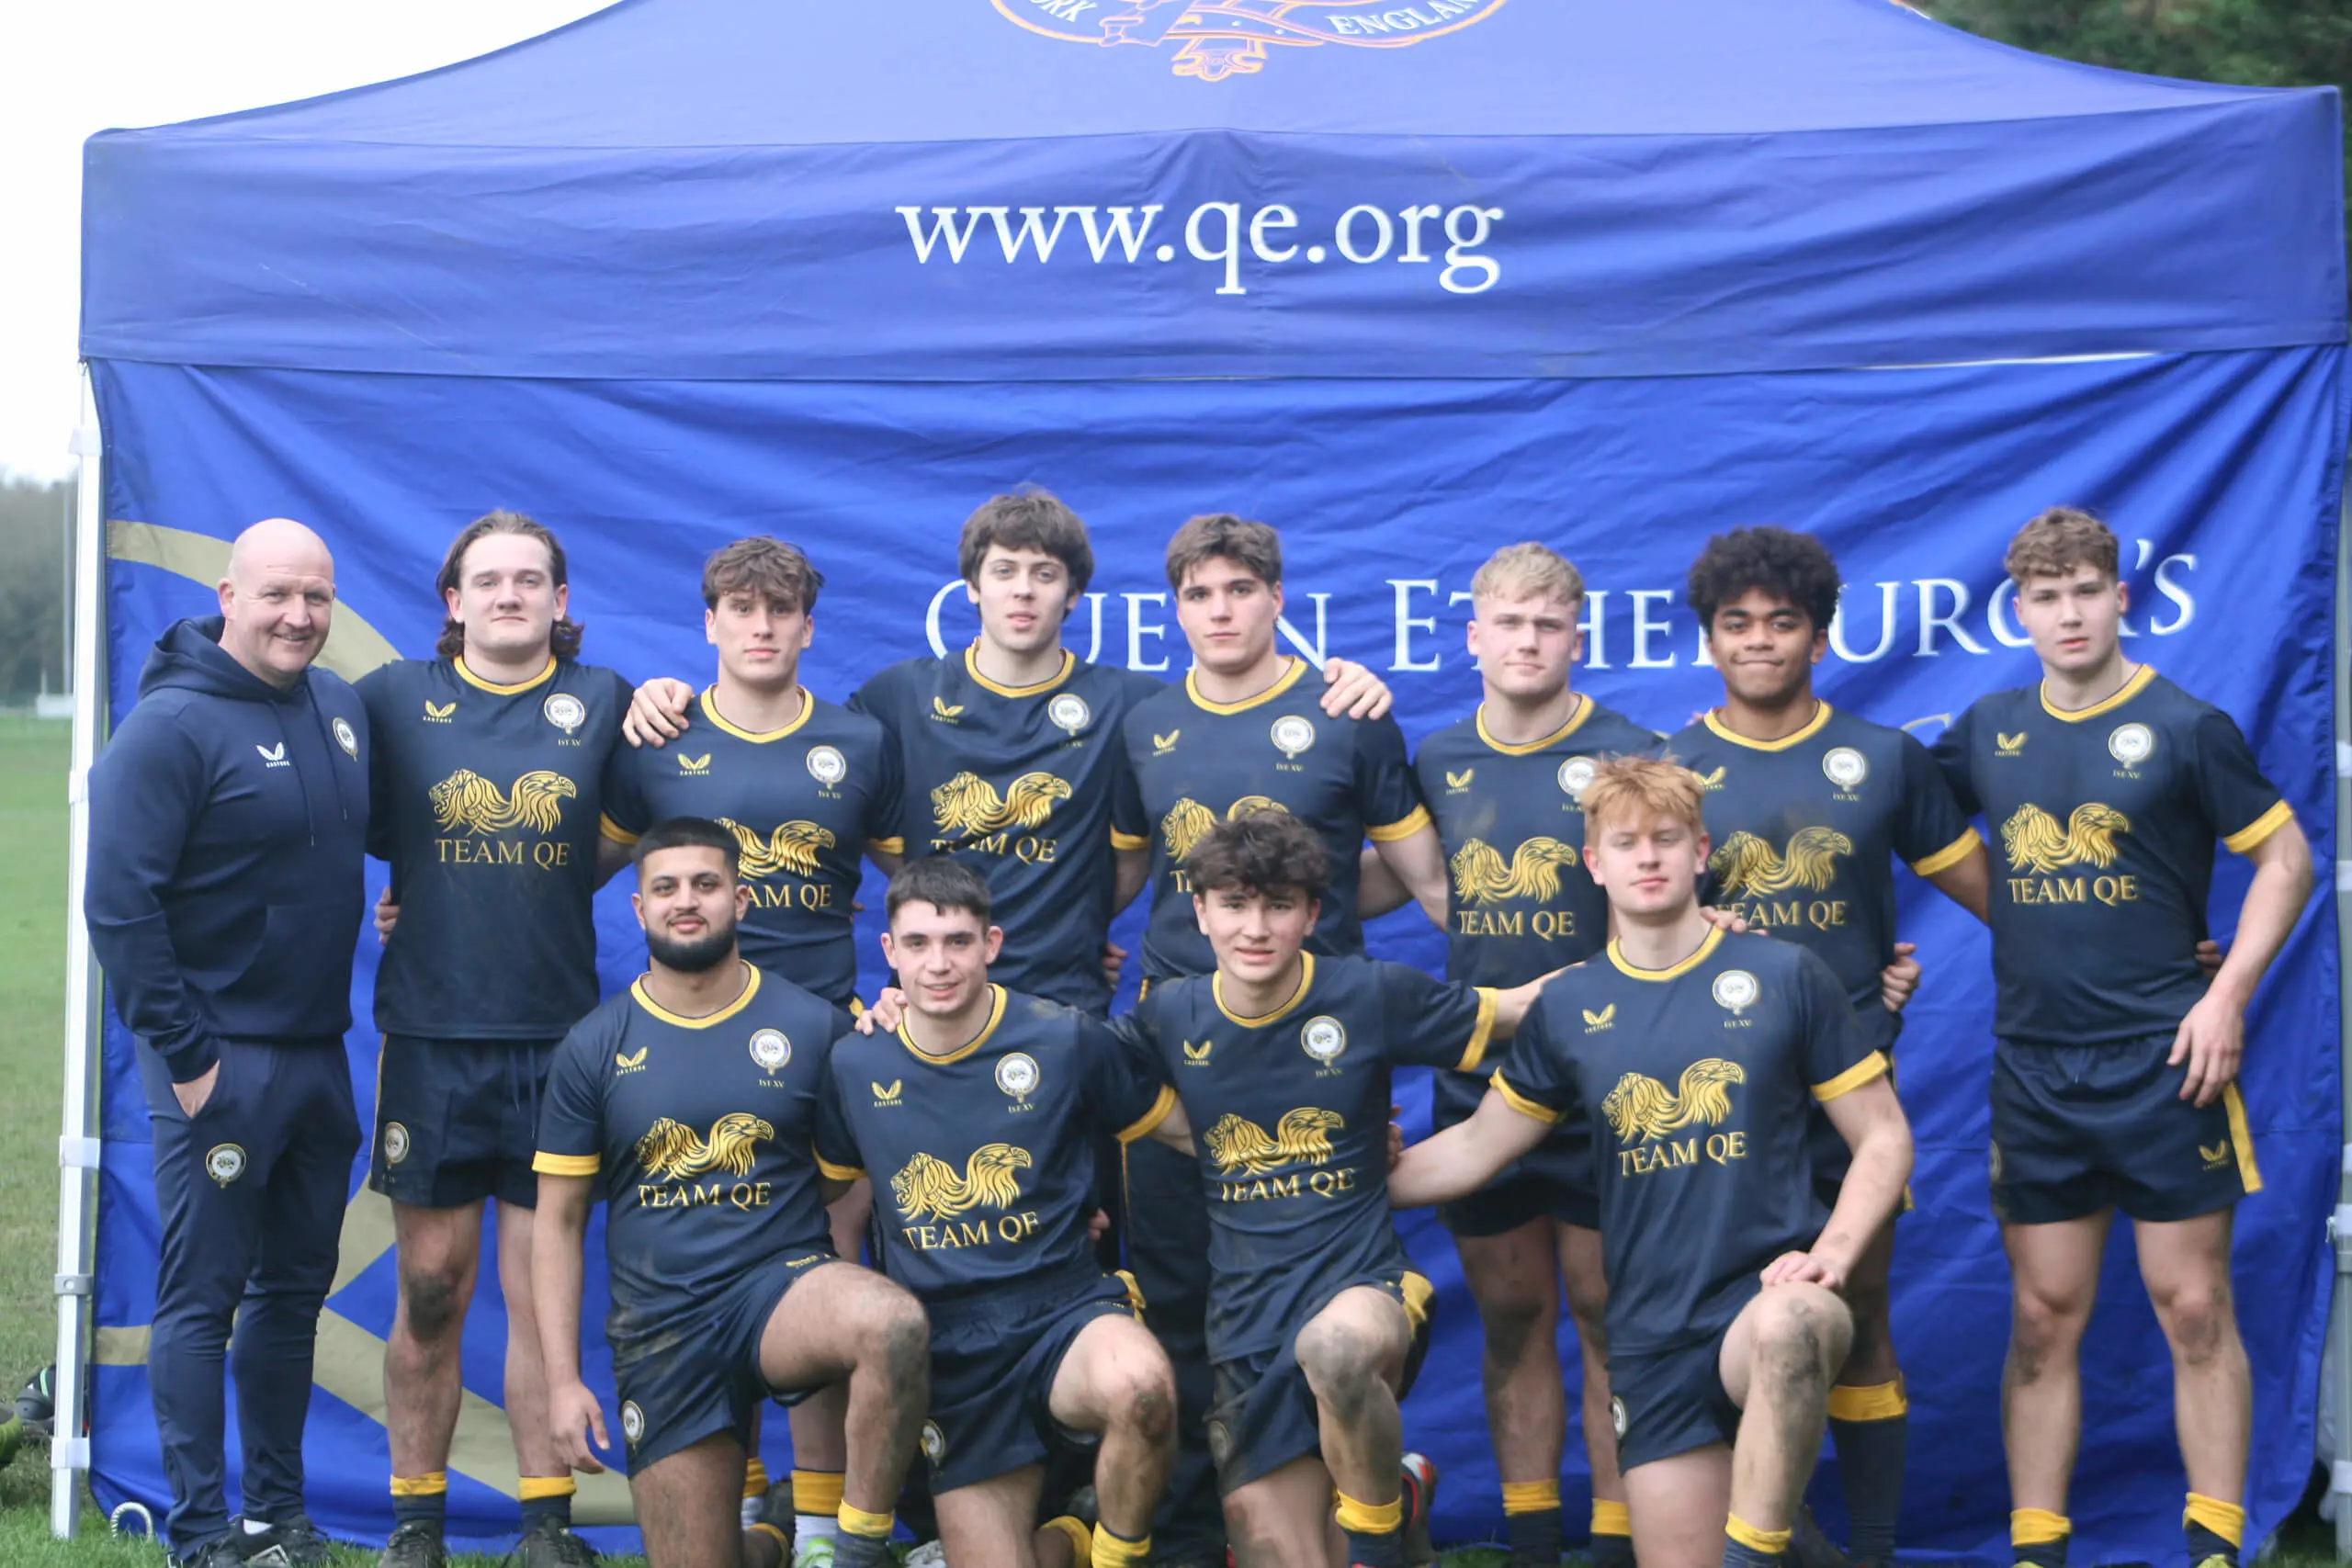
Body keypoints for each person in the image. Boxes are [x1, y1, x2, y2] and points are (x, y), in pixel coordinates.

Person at [1391, 756, 1915, 1568]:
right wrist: (1343, 1174)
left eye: (1667, 839)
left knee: (1799, 1321)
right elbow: (1474, 1147)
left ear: (1701, 850)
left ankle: (1770, 1548)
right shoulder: (1568, 1005)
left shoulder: (1784, 973)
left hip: (1762, 1307)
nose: (1648, 857)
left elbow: (1883, 1136)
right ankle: (1802, 1546)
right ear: (1594, 863)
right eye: (1625, 843)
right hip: (1652, 1342)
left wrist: (1830, 1256)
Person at [1928, 508, 2312, 1568]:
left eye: (2084, 591)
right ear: (2019, 611)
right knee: (2044, 1317)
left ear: (2118, 595)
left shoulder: (2186, 726)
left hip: (2165, 1061)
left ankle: (2217, 1546)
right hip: (2037, 1068)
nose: (2068, 614)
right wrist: (2014, 920)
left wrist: (2225, 994)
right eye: (2045, 598)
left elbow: (2287, 862)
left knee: (2192, 1307)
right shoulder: (1990, 727)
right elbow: (1899, 822)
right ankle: (2036, 1549)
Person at [1666, 525, 1989, 1568]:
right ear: (1709, 638)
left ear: (1817, 635)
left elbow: (2010, 904)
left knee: (1856, 1310)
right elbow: (1628, 941)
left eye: (1782, 622)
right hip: (1714, 1099)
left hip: (1851, 1093)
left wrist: (2162, 957)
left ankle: (1876, 1551)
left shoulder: (1884, 759)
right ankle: (1776, 1538)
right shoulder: (1673, 768)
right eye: (1737, 623)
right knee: (1725, 1321)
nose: (1759, 641)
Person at [1118, 513, 1439, 1563]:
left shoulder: (1346, 714)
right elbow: (1117, 882)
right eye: (1200, 595)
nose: (1221, 611)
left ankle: (1366, 1496)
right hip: (1183, 1043)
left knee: (1321, 1298)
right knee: (1178, 1289)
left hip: (1316, 1044)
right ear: (1176, 609)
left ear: (1277, 600)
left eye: (1240, 591)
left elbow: (1427, 882)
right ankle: (1194, 1532)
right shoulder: (1145, 723)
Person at [1115, 811, 1551, 1568]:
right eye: (1235, 904)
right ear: (1200, 910)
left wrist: (1672, 950)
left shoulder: (1368, 994)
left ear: (1313, 914)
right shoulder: (1167, 1017)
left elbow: (1520, 1008)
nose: (1256, 927)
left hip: (1367, 1290)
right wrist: (899, 1008)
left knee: (1337, 1349)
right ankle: (1400, 1494)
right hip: (1245, 1328)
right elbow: (1048, 1059)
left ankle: (1379, 1547)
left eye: (1279, 904)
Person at [598, 535, 901, 1562]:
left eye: (781, 611)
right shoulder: (657, 737)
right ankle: (738, 1502)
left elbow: (928, 884)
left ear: (808, 628)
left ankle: (819, 1531)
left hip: (820, 1045)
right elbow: (568, 862)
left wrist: (908, 988)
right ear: (710, 624)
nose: (762, 627)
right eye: (742, 608)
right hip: (682, 1040)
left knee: (824, 1262)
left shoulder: (859, 743)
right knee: (695, 1264)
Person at [1360, 542, 1661, 1568]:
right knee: (1513, 1316)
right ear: (1475, 637)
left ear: (1576, 637)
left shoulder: (1629, 752)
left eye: (1549, 624)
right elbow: (1375, 885)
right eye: (1510, 623)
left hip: (1609, 1088)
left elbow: (1698, 904)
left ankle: (1617, 1547)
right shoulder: (1438, 761)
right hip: (1477, 1082)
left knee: (1609, 1316)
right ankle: (1534, 1544)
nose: (1528, 641)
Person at [533, 818, 932, 1568]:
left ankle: (859, 1547)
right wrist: (561, 1382)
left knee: (892, 1323)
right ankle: (773, 1538)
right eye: (667, 887)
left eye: (707, 884)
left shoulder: (816, 1025)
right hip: (664, 1326)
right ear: (639, 909)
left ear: (741, 900)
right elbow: (556, 1223)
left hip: (778, 1293)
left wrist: (896, 1031)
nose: (688, 901)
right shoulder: (593, 1045)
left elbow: (881, 1156)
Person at [86, 518, 369, 1568]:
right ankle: (201, 1534)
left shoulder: (337, 707)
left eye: (317, 598)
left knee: (290, 1298)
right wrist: (189, 1055)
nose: (299, 617)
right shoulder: (168, 728)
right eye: (278, 595)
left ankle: (277, 1519)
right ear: (228, 594)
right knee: (202, 1301)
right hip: (218, 1064)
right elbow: (119, 907)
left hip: (318, 1056)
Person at [356, 511, 635, 1568]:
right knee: (432, 1285)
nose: (510, 594)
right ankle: (415, 1522)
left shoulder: (605, 703)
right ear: (453, 602)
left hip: (553, 1046)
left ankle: (543, 1525)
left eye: (531, 579)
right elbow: (352, 825)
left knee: (538, 1294)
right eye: (489, 579)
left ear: (560, 603)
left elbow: (642, 833)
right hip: (429, 1041)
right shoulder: (389, 702)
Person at [816, 857, 1182, 1568]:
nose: (939, 963)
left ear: (992, 943)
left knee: (1141, 1390)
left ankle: (1117, 1558)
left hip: (1063, 1310)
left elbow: (1181, 1129)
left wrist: (1345, 1137)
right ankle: (1073, 1536)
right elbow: (825, 1193)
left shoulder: (1064, 1036)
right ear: (888, 953)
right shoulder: (855, 1063)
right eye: (917, 944)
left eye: (958, 940)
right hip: (949, 1347)